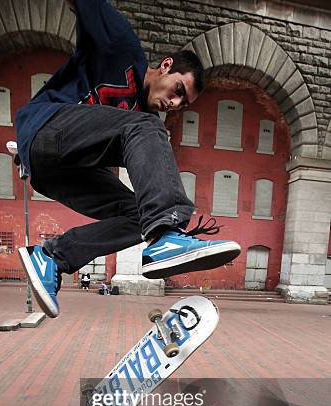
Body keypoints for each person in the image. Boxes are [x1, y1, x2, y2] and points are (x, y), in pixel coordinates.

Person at [17, 0, 241, 318]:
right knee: (149, 127)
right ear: (165, 65)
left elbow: (139, 165)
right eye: (177, 89)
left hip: (58, 172)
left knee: (139, 214)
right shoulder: (121, 46)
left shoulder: (138, 122)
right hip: (44, 129)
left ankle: (52, 258)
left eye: (182, 102)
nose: (174, 102)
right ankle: (166, 235)